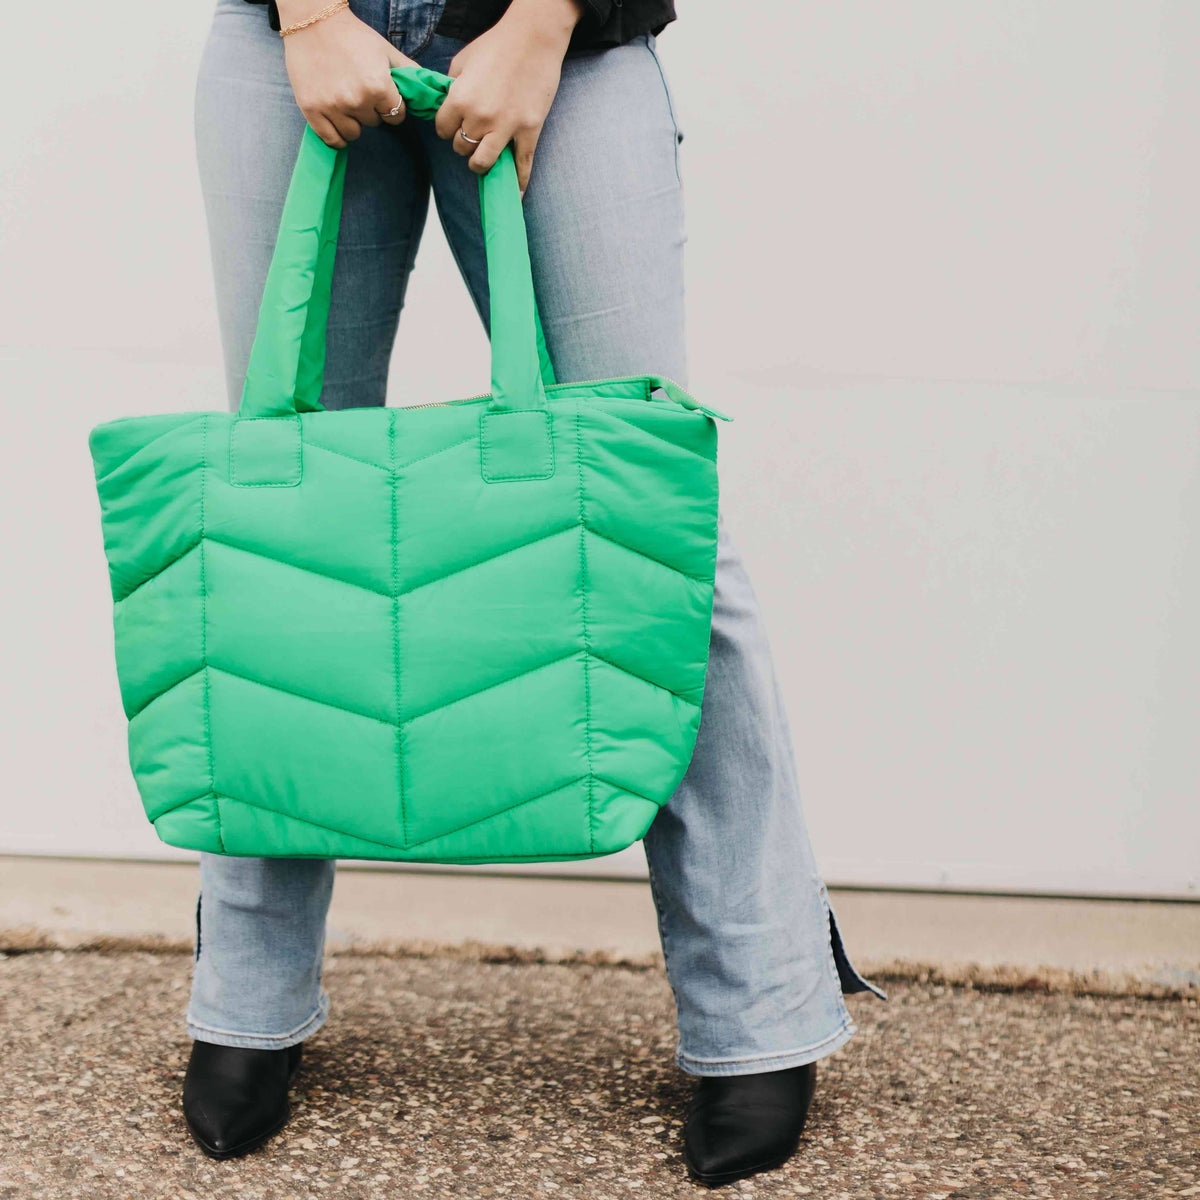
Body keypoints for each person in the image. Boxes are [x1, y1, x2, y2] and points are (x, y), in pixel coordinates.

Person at [183, 0, 885, 1186]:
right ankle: (245, 999)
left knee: (652, 530)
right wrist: (308, 17)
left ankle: (758, 1009)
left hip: (567, 34)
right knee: (285, 549)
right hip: (293, 33)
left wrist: (548, 20)